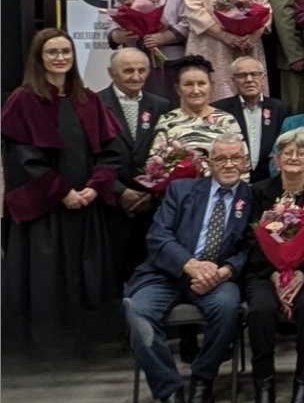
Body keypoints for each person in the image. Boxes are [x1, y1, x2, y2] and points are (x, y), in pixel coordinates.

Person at [1, 28, 122, 353]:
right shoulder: (23, 100)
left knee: (88, 275)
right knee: (46, 279)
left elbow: (110, 153)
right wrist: (63, 192)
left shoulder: (87, 99)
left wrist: (94, 188)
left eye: (66, 52)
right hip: (46, 210)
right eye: (52, 52)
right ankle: (50, 345)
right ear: (39, 58)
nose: (60, 58)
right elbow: (22, 158)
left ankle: (89, 342)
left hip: (86, 205)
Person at [124, 135, 253, 403]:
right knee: (137, 311)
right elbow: (158, 237)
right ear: (208, 164)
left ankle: (203, 379)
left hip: (218, 278)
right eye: (221, 158)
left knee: (229, 308)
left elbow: (251, 248)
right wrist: (191, 265)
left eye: (235, 158)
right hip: (165, 273)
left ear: (245, 163)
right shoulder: (181, 190)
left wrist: (225, 272)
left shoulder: (253, 197)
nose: (229, 164)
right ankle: (169, 392)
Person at [245, 128, 304, 403]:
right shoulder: (259, 192)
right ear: (276, 159)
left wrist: (301, 273)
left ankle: (303, 382)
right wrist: (273, 273)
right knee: (260, 310)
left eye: (301, 152)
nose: (294, 157)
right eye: (287, 152)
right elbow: (252, 240)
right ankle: (264, 385)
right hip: (265, 271)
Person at [98, 48, 173, 284]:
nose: (136, 76)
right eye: (128, 70)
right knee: (112, 272)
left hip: (149, 205)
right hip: (110, 203)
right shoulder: (94, 104)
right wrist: (120, 191)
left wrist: (151, 193)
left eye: (142, 70)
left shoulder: (161, 105)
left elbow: (168, 152)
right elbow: (90, 155)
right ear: (111, 73)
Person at [107, 0, 189, 100]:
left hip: (170, 62)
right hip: (133, 61)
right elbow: (112, 26)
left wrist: (162, 37)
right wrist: (120, 36)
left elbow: (187, 23)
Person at [148, 56, 247, 175]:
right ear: (178, 89)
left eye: (201, 83)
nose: (196, 90)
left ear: (211, 86)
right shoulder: (166, 121)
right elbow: (154, 167)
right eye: (189, 84)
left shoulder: (226, 120)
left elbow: (243, 164)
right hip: (180, 191)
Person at [211, 56, 289, 183]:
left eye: (254, 74)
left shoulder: (279, 108)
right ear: (233, 81)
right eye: (242, 75)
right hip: (233, 181)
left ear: (263, 78)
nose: (249, 80)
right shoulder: (219, 109)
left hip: (268, 182)